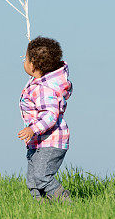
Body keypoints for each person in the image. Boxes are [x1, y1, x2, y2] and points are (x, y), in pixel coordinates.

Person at [17, 36, 73, 202]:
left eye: (25, 58)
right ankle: (40, 210)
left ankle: (66, 203)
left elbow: (50, 115)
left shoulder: (45, 88)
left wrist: (32, 129)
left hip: (51, 142)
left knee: (42, 176)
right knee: (32, 181)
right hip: (38, 141)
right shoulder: (39, 82)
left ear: (33, 65)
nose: (23, 60)